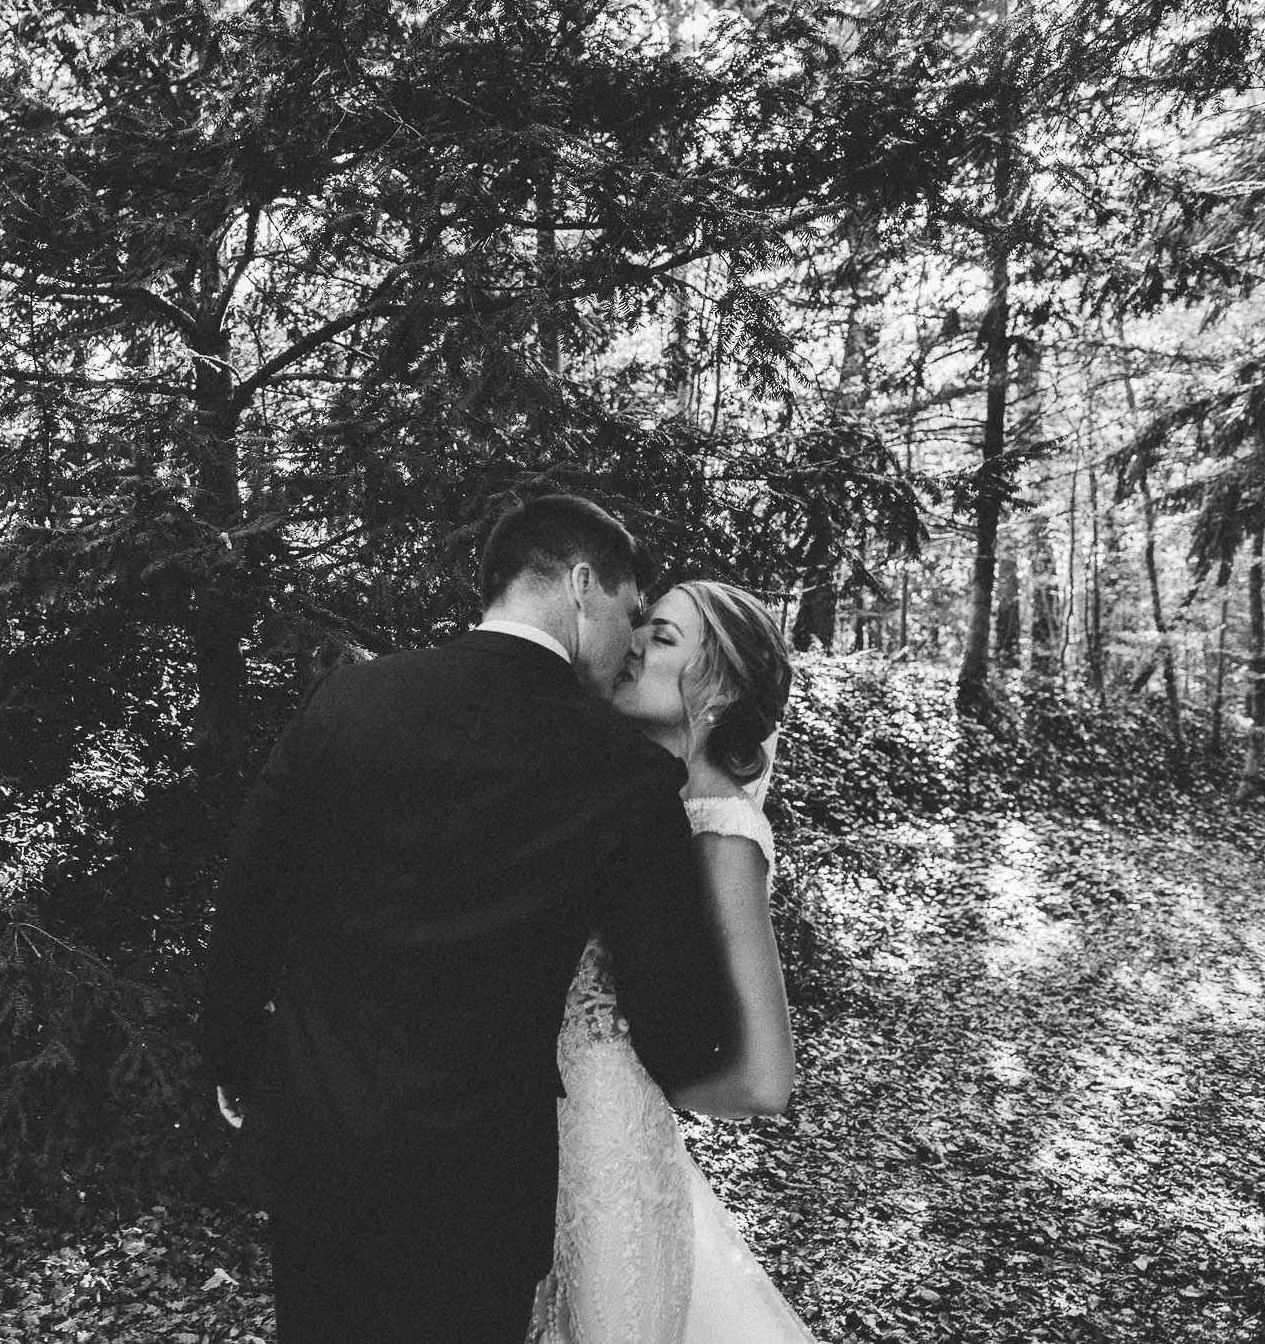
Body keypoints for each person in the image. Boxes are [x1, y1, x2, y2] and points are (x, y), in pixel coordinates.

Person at [199, 495, 743, 1344]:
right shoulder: (622, 775)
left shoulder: (349, 699)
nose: (632, 644)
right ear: (581, 584)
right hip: (473, 1185)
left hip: (318, 1145)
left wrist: (232, 1054)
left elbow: (251, 898)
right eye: (632, 615)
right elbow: (676, 1024)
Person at [530, 580, 813, 1344]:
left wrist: (630, 1091)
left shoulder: (719, 826)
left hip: (608, 1163)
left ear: (716, 683)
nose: (634, 648)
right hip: (528, 1160)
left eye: (663, 638)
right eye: (642, 627)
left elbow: (765, 1077)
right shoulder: (622, 799)